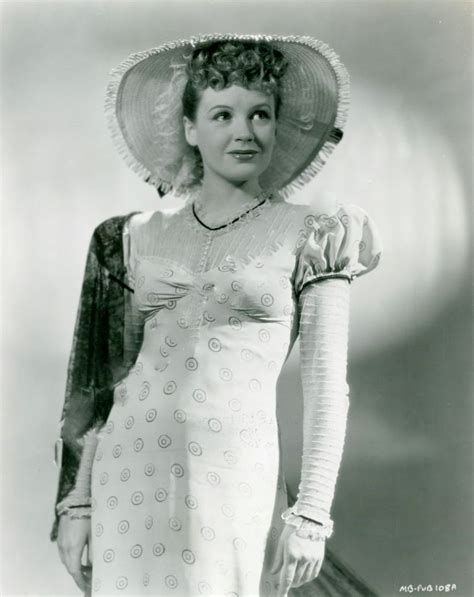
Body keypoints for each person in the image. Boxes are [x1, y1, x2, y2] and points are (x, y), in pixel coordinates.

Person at [50, 34, 382, 597]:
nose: (244, 132)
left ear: (277, 126)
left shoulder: (315, 233)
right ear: (189, 128)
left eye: (260, 114)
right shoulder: (130, 238)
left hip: (233, 480)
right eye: (222, 114)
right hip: (128, 475)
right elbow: (98, 384)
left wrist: (311, 514)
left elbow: (328, 388)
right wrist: (77, 502)